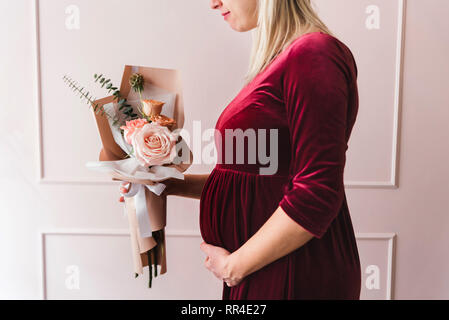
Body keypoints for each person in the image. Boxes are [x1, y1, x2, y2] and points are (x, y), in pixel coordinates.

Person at [115, 0, 361, 300]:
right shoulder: (286, 58)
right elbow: (255, 179)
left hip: (293, 271)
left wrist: (235, 266)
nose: (213, 3)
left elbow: (317, 192)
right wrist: (166, 183)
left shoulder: (314, 54)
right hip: (266, 267)